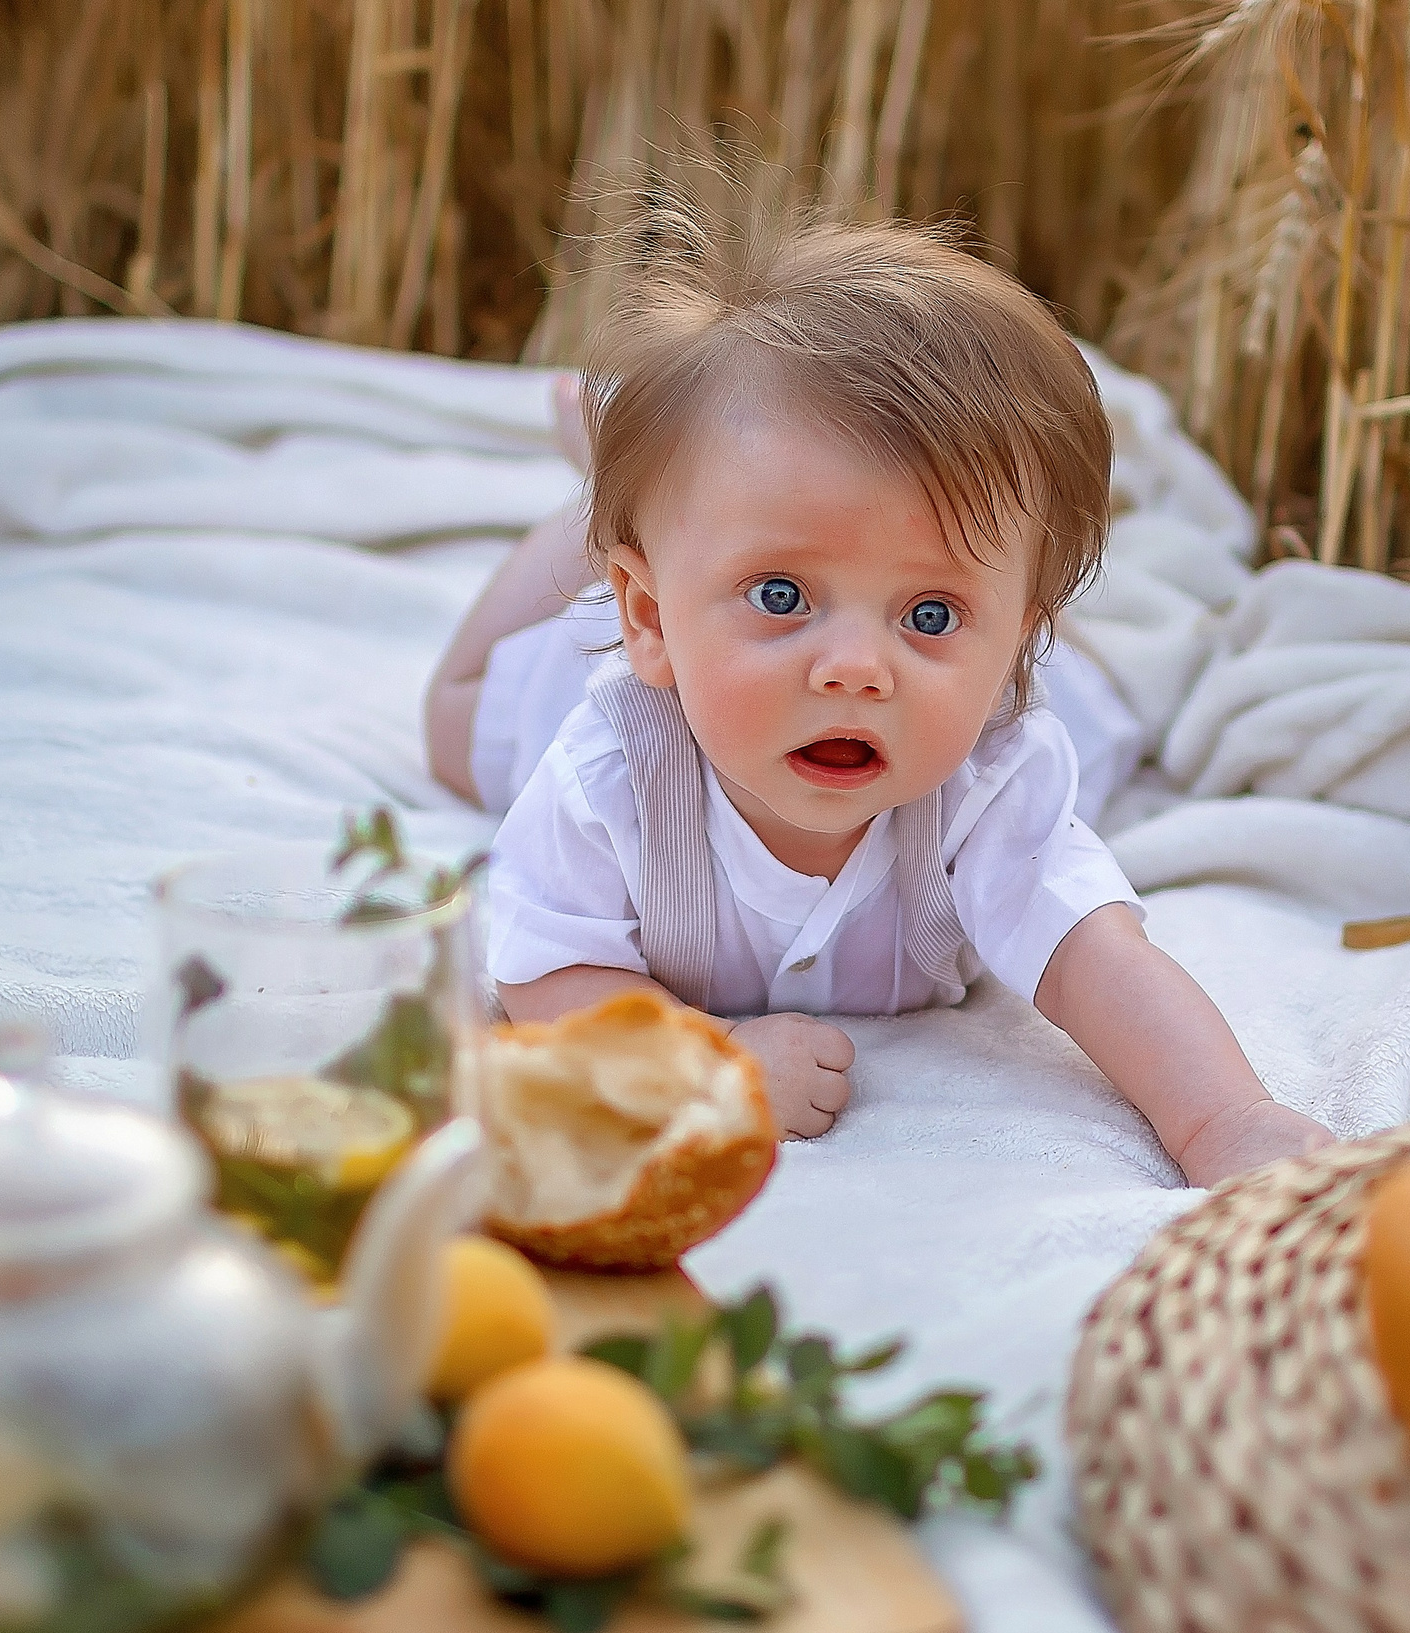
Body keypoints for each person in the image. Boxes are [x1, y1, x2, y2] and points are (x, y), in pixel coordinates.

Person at [423, 215, 1329, 1187]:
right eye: (783, 595)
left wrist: (1228, 1121)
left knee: (1113, 712)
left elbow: (1095, 959)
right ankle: (604, 497)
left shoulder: (989, 776)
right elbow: (540, 975)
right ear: (648, 614)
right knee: (451, 719)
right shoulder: (604, 774)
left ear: (1018, 643)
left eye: (930, 613)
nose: (857, 668)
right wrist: (704, 1067)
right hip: (606, 660)